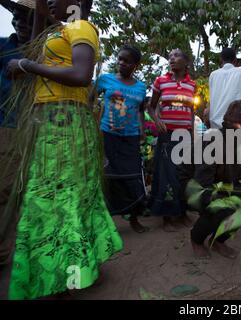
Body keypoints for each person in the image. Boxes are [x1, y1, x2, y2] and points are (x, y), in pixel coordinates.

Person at [1, 0, 122, 299]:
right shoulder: (55, 33)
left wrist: (26, 65)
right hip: (51, 121)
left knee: (55, 199)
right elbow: (37, 37)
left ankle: (62, 276)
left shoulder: (81, 27)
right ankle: (69, 269)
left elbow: (82, 75)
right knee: (62, 197)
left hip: (64, 122)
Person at [181, 100, 241, 259]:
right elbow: (201, 184)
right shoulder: (213, 141)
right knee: (221, 207)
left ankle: (218, 240)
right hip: (194, 185)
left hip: (221, 184)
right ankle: (197, 239)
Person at [94, 45, 149, 232]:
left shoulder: (141, 87)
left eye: (127, 60)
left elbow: (140, 111)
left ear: (136, 65)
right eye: (120, 59)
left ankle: (134, 219)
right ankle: (106, 223)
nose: (121, 63)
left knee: (133, 178)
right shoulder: (105, 80)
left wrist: (142, 131)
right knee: (109, 178)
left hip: (131, 138)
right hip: (108, 136)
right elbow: (90, 100)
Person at [147, 48, 196, 232]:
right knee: (166, 174)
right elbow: (151, 107)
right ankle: (166, 216)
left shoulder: (192, 85)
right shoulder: (161, 81)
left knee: (183, 173)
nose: (172, 59)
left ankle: (182, 212)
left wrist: (191, 131)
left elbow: (191, 110)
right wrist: (157, 120)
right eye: (170, 57)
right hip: (167, 135)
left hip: (184, 134)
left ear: (186, 62)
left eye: (176, 56)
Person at [0, 0, 34, 206]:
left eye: (27, 19)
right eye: (17, 17)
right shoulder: (4, 46)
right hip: (4, 123)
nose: (20, 23)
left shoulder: (45, 52)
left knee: (13, 188)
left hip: (28, 128)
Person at [208, 48, 241, 129]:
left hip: (215, 125)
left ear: (221, 59)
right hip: (236, 124)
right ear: (235, 60)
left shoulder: (213, 75)